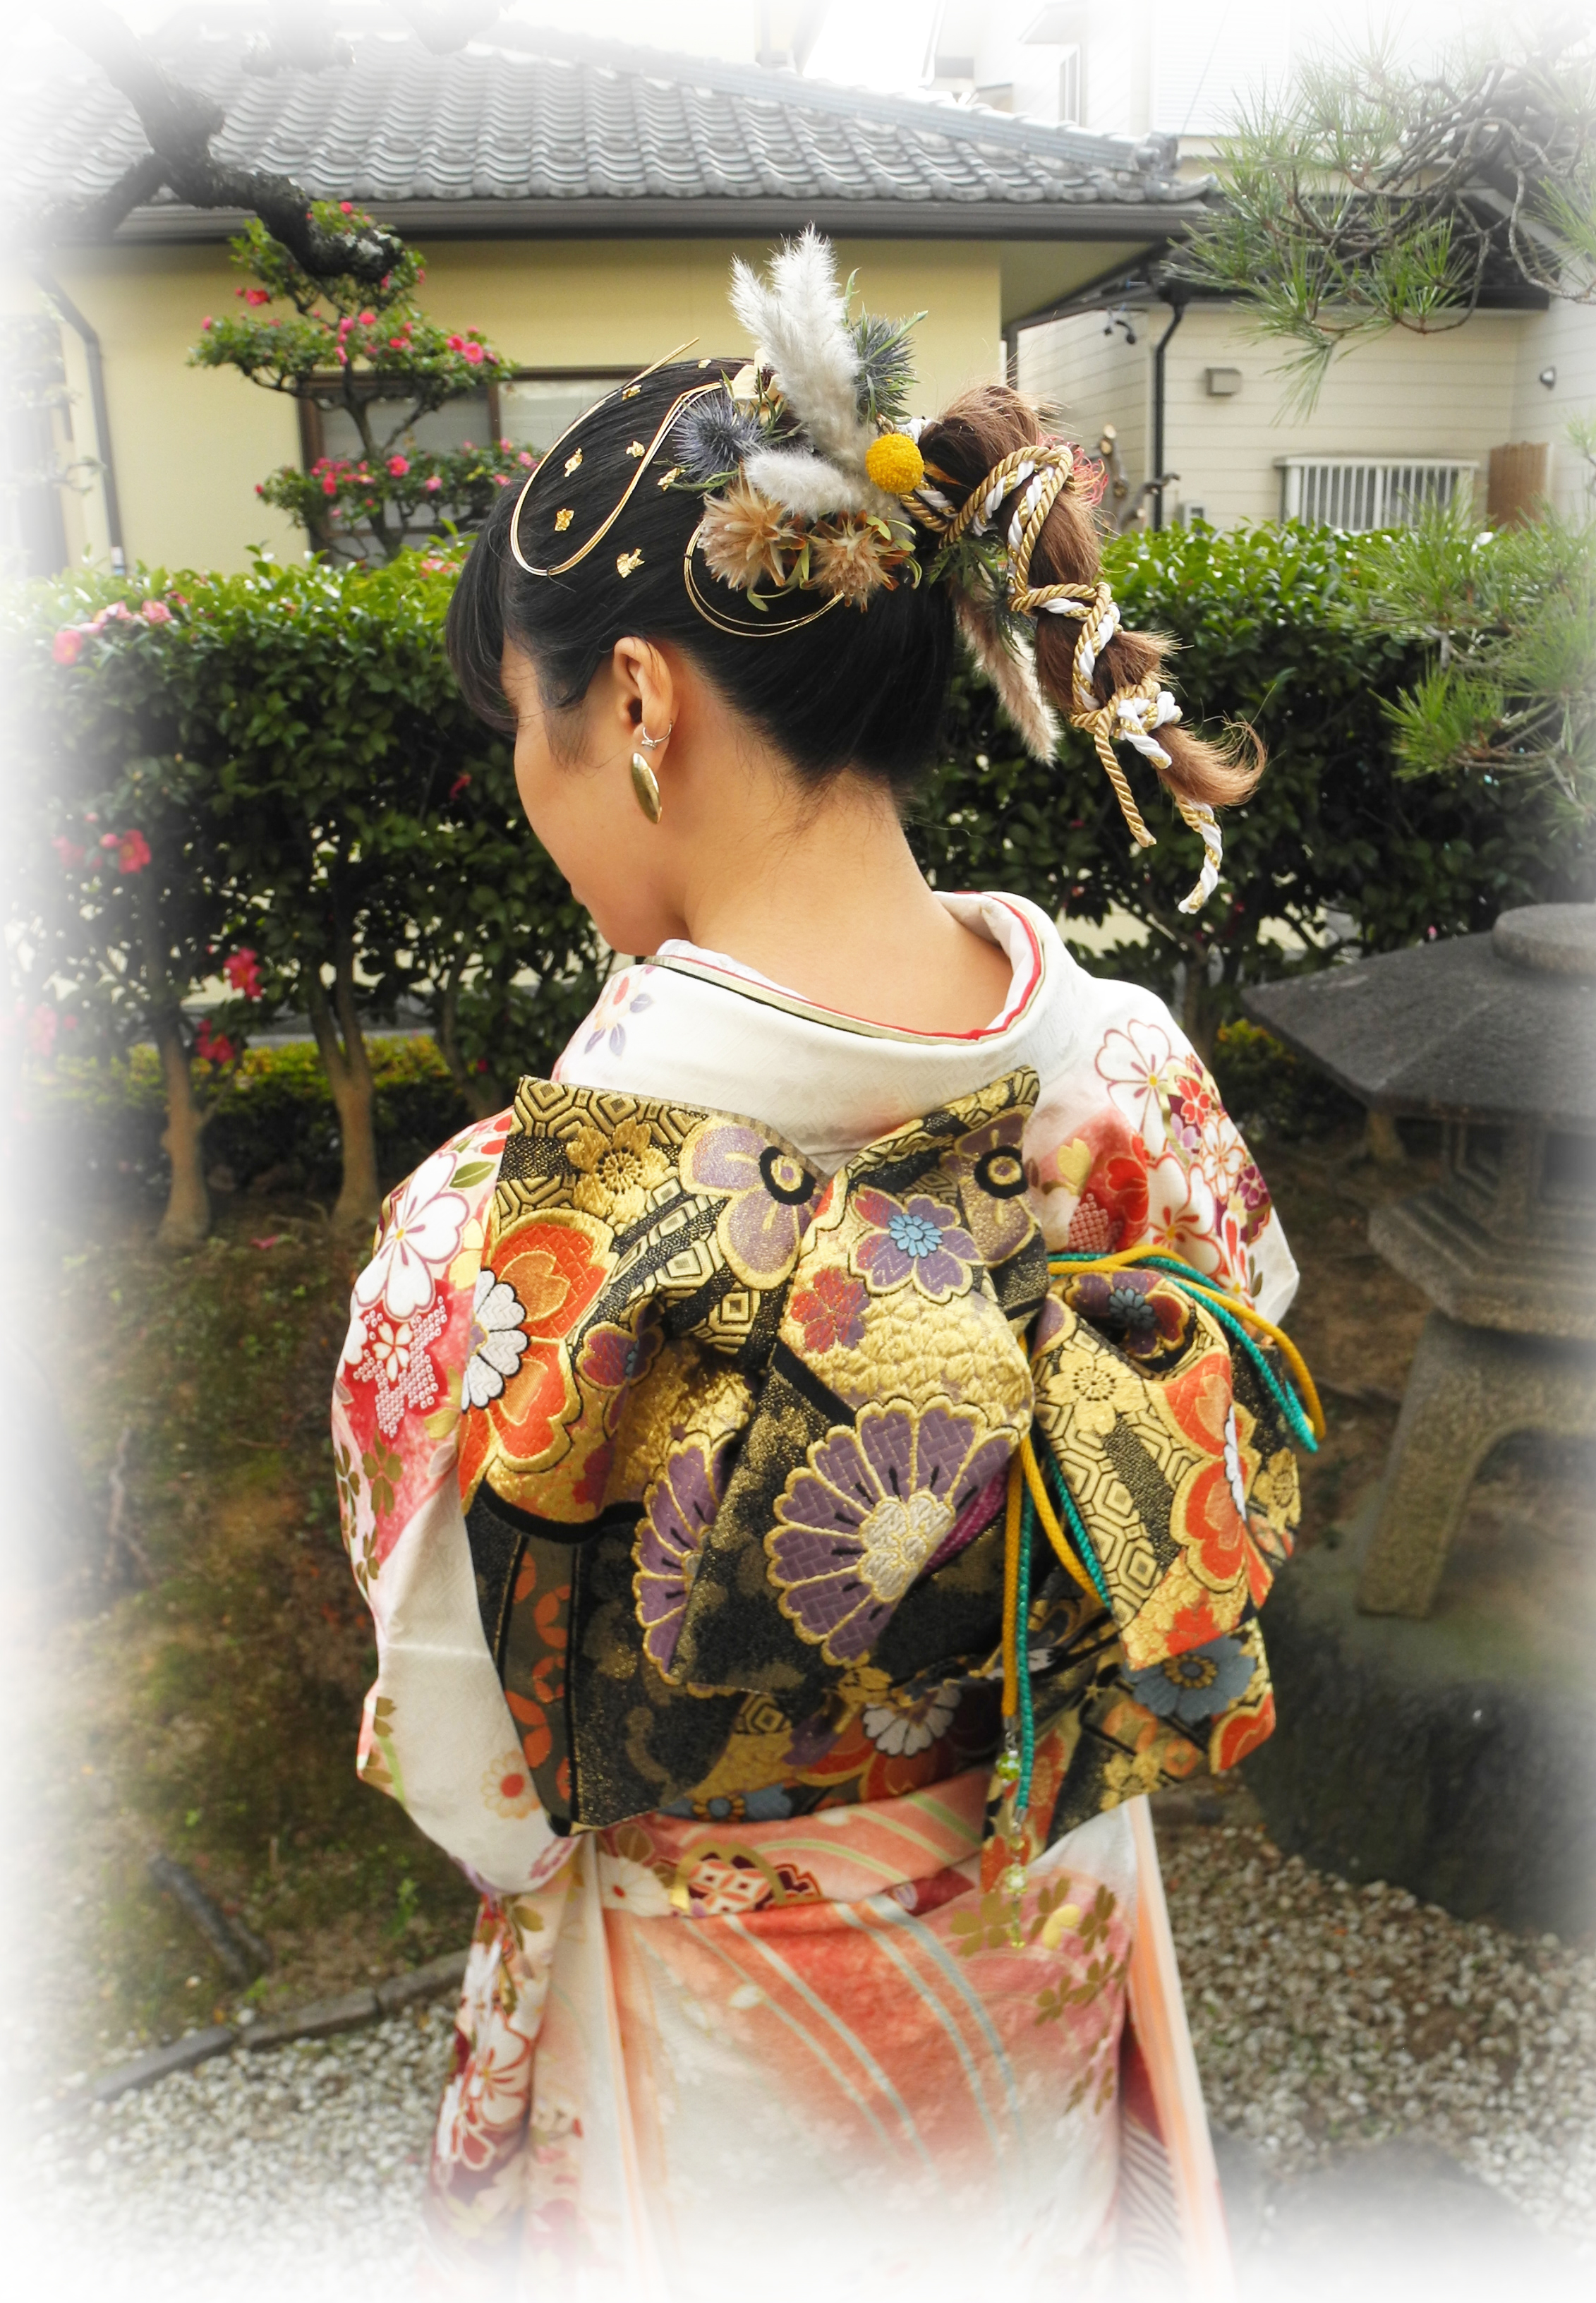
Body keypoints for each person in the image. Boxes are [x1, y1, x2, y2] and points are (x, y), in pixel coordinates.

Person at [333, 234, 1314, 2300]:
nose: (527, 787)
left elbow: (481, 1784)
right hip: (1048, 1920)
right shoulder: (1139, 1077)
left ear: (635, 701)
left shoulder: (505, 1232)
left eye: (527, 726)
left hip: (731, 2057)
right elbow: (1231, 1461)